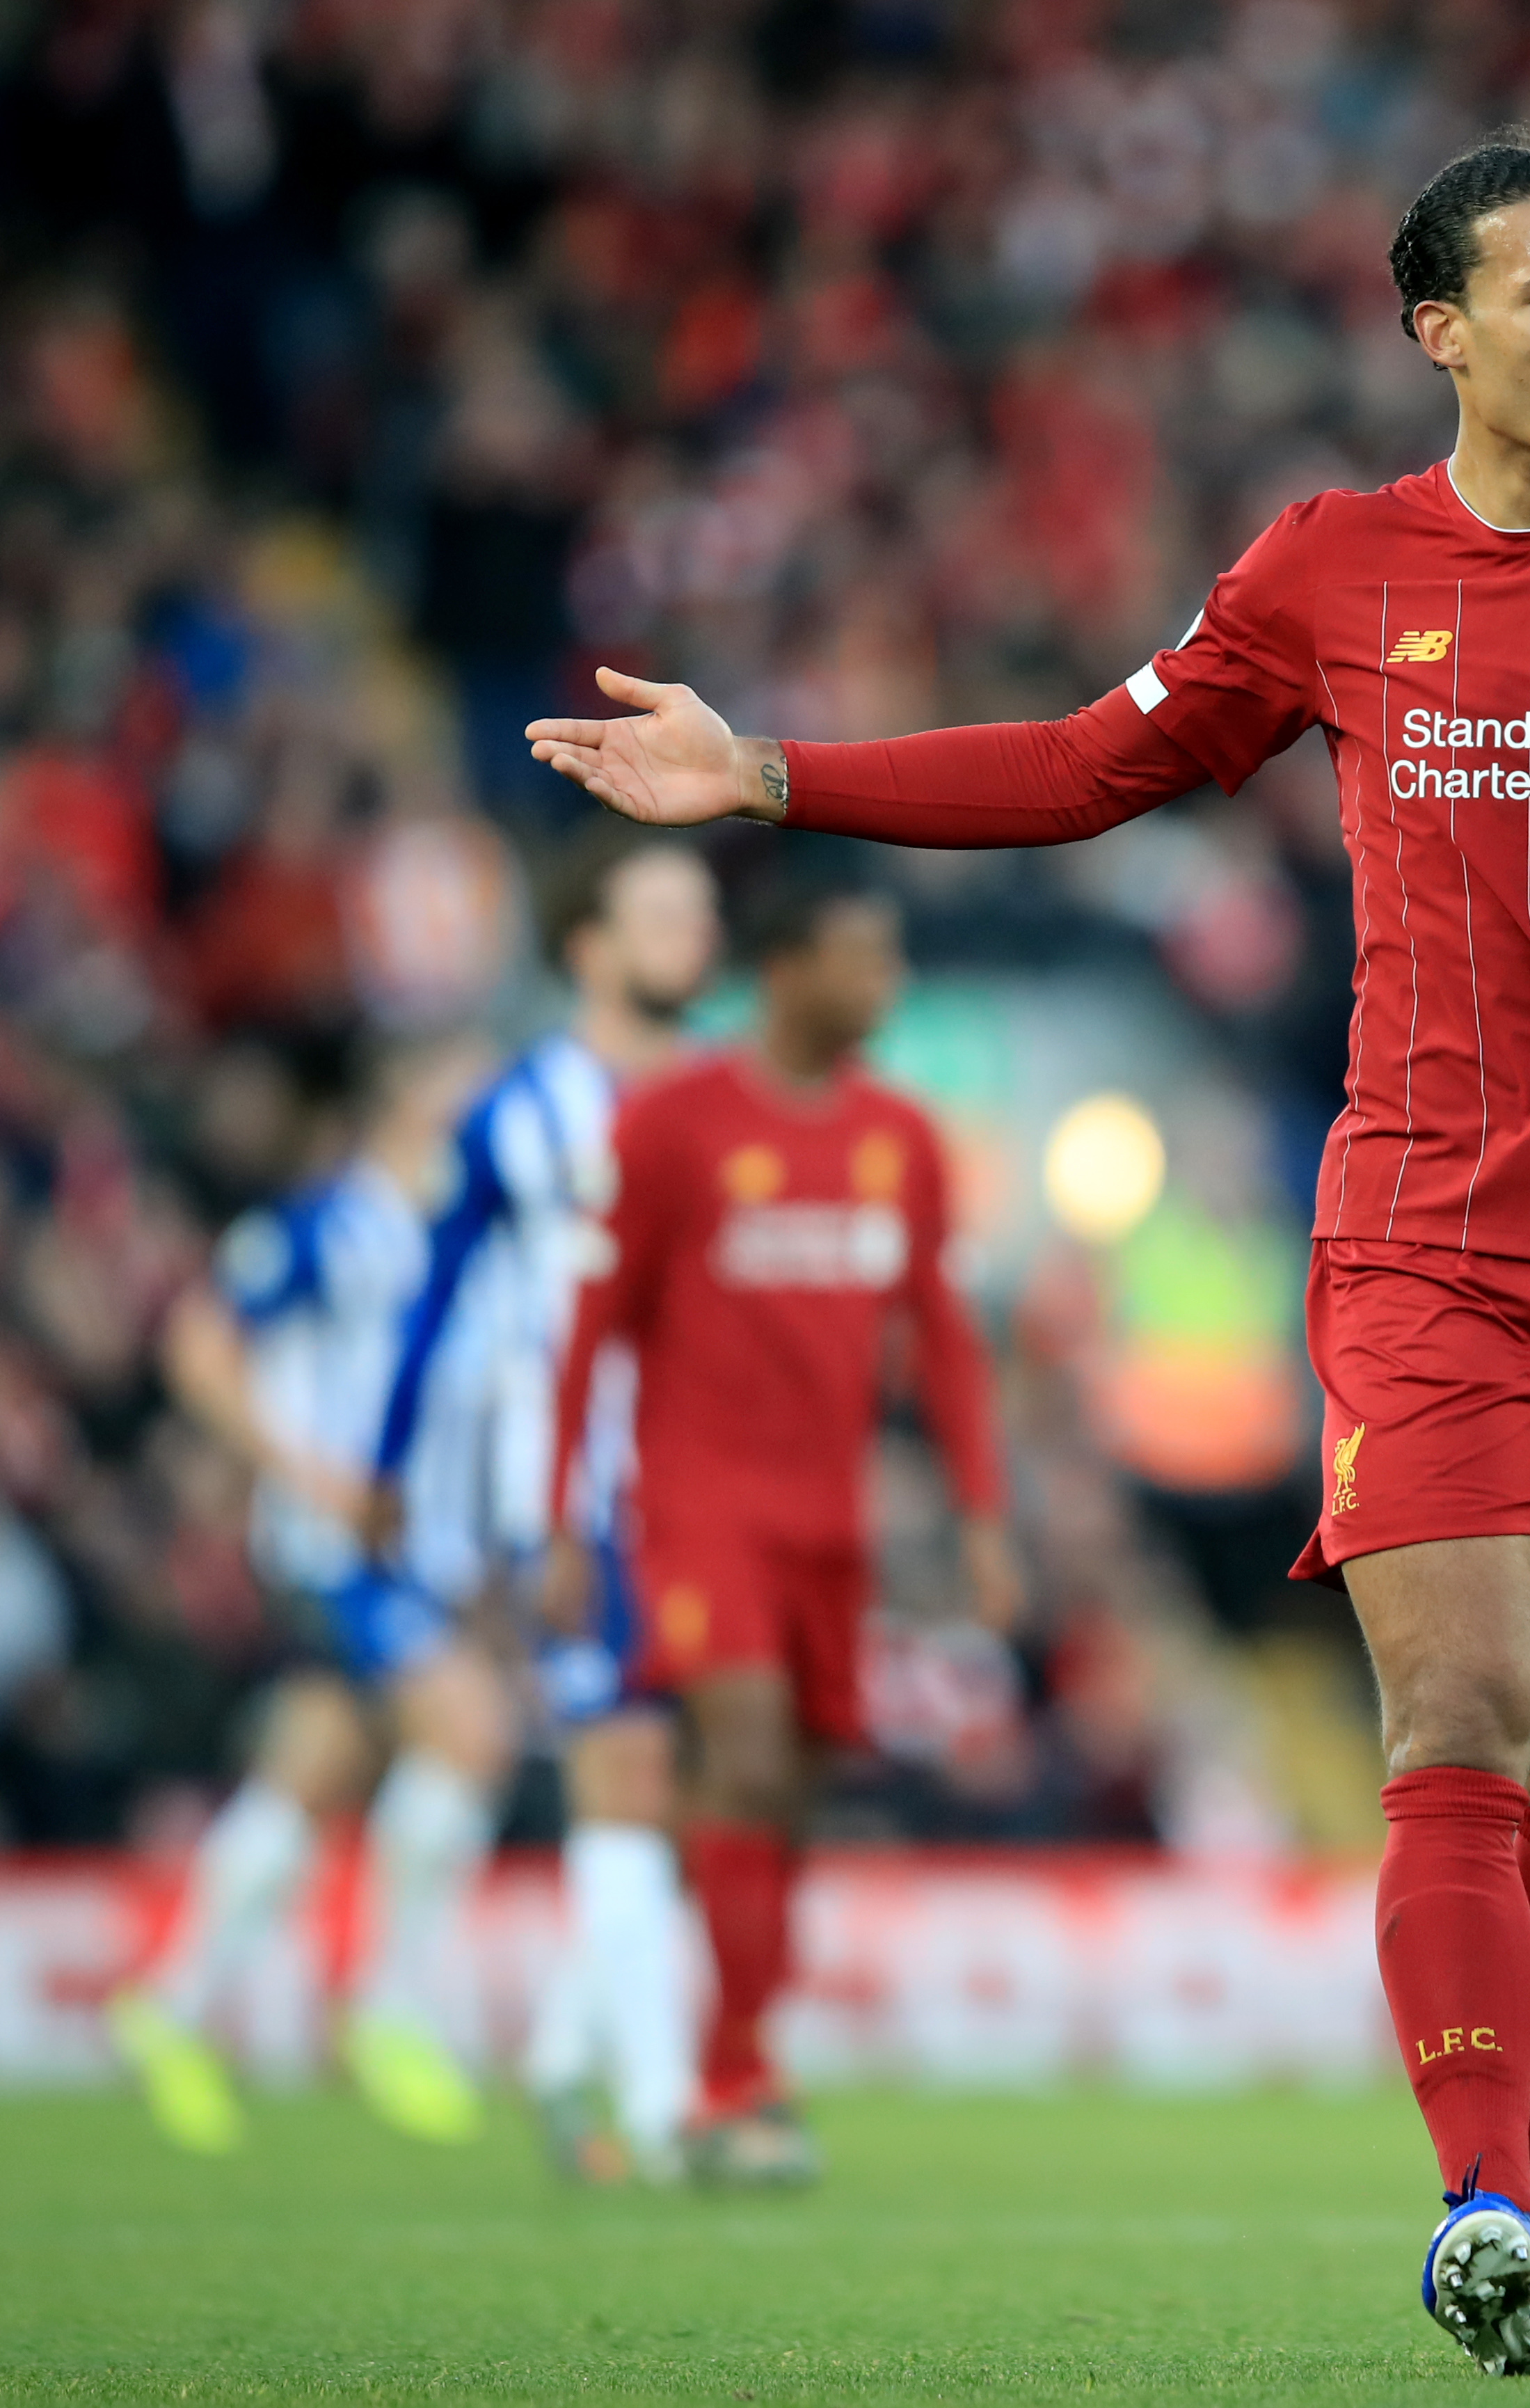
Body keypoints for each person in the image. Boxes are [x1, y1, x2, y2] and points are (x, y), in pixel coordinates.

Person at [525, 136, 1530, 2365]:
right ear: (1440, 332)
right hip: (1423, 1240)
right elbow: (1094, 765)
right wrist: (776, 774)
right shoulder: (1333, 571)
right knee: (1458, 1722)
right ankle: (1472, 2191)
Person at [543, 873, 1021, 2187]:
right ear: (787, 969)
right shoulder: (676, 1124)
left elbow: (946, 1342)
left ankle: (715, 2052)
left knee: (790, 1795)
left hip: (831, 1520)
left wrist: (984, 1514)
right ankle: (727, 2076)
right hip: (700, 1511)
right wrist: (560, 1523)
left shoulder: (901, 1138)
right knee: (744, 1759)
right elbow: (592, 1331)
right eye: (862, 958)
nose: (885, 986)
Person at [363, 831, 722, 2183]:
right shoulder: (515, 1113)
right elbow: (434, 1299)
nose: (692, 936)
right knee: (623, 1769)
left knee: (689, 1792)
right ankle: (669, 2100)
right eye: (662, 913)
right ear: (589, 945)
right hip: (571, 1499)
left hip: (713, 1496)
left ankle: (573, 2060)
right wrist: (390, 1469)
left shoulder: (726, 1098)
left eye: (699, 912)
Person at [112, 1034, 511, 2155]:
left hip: (423, 1550)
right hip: (335, 1547)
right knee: (470, 1731)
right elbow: (198, 1344)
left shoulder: (471, 1237)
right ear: (400, 1094)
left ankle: (174, 2004)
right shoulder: (330, 1224)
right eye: (459, 1080)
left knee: (312, 1769)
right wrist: (306, 1475)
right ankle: (388, 2004)